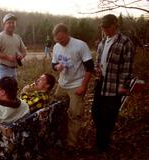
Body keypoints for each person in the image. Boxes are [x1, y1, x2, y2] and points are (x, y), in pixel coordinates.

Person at [92, 14, 134, 152]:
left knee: (108, 117)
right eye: (103, 27)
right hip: (101, 83)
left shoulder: (125, 42)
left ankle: (103, 146)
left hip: (114, 86)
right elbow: (98, 61)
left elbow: (127, 67)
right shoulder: (103, 42)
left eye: (107, 27)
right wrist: (97, 68)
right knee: (96, 113)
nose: (105, 30)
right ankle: (100, 141)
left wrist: (123, 85)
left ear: (115, 25)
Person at [51, 23, 94, 148]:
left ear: (67, 34)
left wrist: (83, 86)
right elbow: (53, 65)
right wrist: (56, 67)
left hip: (77, 84)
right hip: (62, 83)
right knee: (55, 109)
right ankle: (58, 137)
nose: (60, 42)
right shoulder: (56, 47)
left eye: (62, 39)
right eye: (57, 40)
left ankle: (71, 144)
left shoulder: (80, 45)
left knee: (75, 115)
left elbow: (89, 68)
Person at [0, 13, 26, 80]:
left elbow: (24, 51)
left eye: (13, 23)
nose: (11, 25)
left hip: (13, 69)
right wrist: (7, 57)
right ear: (4, 24)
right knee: (3, 89)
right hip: (2, 68)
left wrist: (21, 56)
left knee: (13, 88)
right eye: (9, 23)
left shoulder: (17, 37)